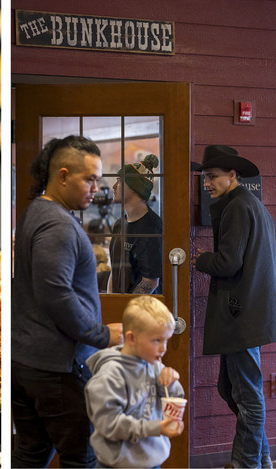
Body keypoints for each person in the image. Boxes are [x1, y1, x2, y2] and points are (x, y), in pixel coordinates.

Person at [12, 135, 124, 468]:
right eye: (89, 179)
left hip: (30, 362)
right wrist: (101, 335)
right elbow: (55, 292)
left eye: (97, 180)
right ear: (62, 176)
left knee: (32, 452)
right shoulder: (57, 225)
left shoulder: (38, 211)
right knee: (81, 458)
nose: (95, 188)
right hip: (57, 369)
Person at [191, 145, 276, 468]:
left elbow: (228, 262)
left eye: (212, 177)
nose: (206, 183)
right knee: (232, 388)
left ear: (232, 175)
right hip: (247, 315)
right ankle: (261, 459)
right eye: (205, 177)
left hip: (242, 317)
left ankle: (246, 464)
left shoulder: (237, 207)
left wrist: (200, 260)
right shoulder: (251, 205)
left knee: (246, 395)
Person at [85, 296, 185, 468]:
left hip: (152, 461)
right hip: (118, 464)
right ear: (131, 338)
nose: (164, 348)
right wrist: (154, 428)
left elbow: (175, 397)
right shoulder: (110, 376)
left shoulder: (154, 365)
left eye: (166, 340)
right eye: (157, 340)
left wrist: (170, 383)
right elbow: (109, 425)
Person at [108, 154, 163, 294]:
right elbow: (114, 271)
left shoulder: (151, 226)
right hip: (119, 306)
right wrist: (110, 300)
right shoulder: (120, 224)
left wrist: (126, 309)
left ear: (135, 188)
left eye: (119, 181)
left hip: (142, 311)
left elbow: (150, 282)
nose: (114, 187)